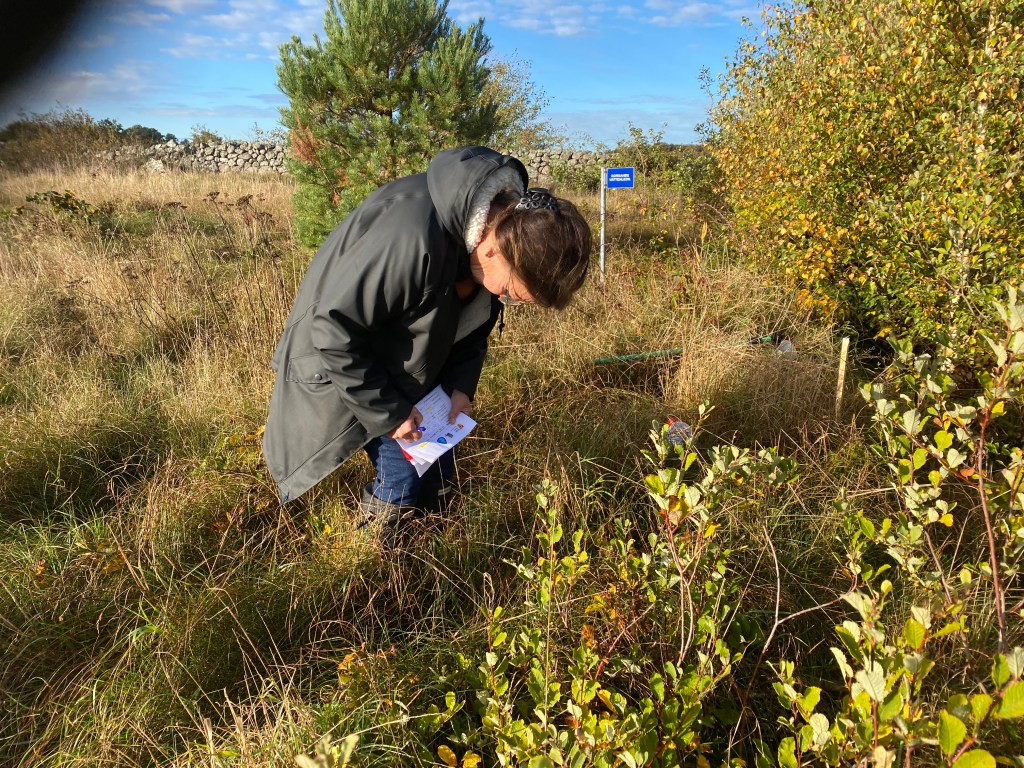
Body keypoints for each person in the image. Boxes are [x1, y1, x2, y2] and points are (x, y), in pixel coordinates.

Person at [262, 145, 592, 525]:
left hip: (401, 359)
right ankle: (380, 550)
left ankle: (435, 535)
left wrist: (461, 386)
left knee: (438, 464)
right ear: (493, 251)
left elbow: (470, 326)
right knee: (401, 475)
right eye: (508, 294)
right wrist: (391, 414)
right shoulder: (410, 238)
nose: (506, 301)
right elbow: (334, 329)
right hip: (349, 363)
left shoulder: (493, 236)